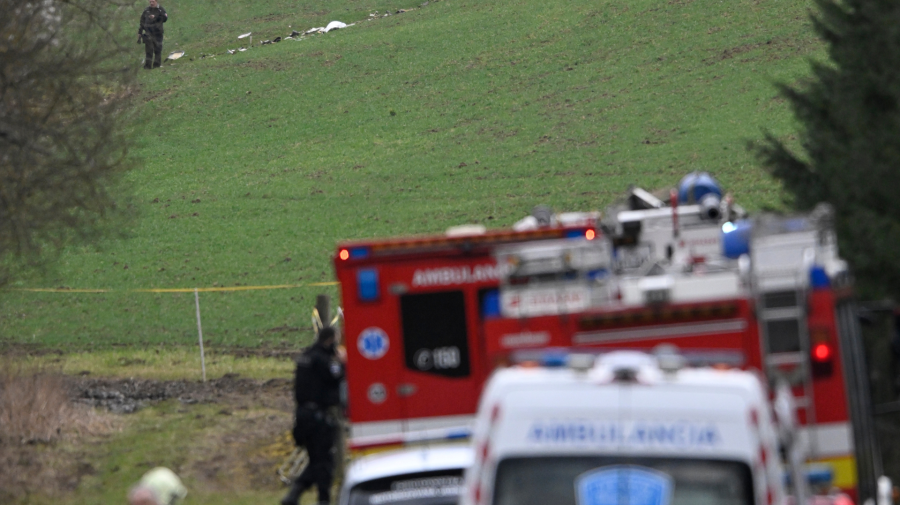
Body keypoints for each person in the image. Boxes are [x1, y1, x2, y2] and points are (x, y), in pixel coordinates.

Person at [281, 326, 346, 505]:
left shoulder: (306, 356)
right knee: (324, 462)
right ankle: (322, 500)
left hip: (302, 416)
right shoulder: (323, 360)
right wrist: (343, 362)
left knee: (317, 459)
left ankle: (293, 495)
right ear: (331, 340)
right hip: (318, 417)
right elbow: (337, 375)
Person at [138, 0, 168, 69]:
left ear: (156, 1)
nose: (151, 3)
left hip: (158, 33)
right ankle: (148, 66)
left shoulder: (160, 9)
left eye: (153, 1)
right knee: (149, 50)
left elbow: (165, 19)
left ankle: (157, 65)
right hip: (148, 33)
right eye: (150, 1)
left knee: (158, 50)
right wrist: (140, 32)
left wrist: (155, 17)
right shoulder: (146, 10)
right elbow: (142, 21)